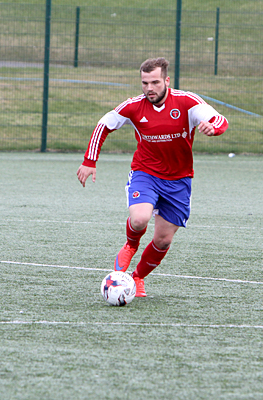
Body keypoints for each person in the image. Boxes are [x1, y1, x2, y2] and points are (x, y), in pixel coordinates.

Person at [77, 57, 228, 297]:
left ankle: (137, 277)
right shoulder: (133, 106)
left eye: (155, 82)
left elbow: (219, 119)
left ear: (167, 80)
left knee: (163, 240)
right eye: (145, 83)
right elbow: (104, 124)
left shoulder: (187, 102)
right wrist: (89, 161)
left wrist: (213, 128)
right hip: (145, 173)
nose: (149, 88)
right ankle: (131, 245)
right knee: (139, 219)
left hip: (179, 180)